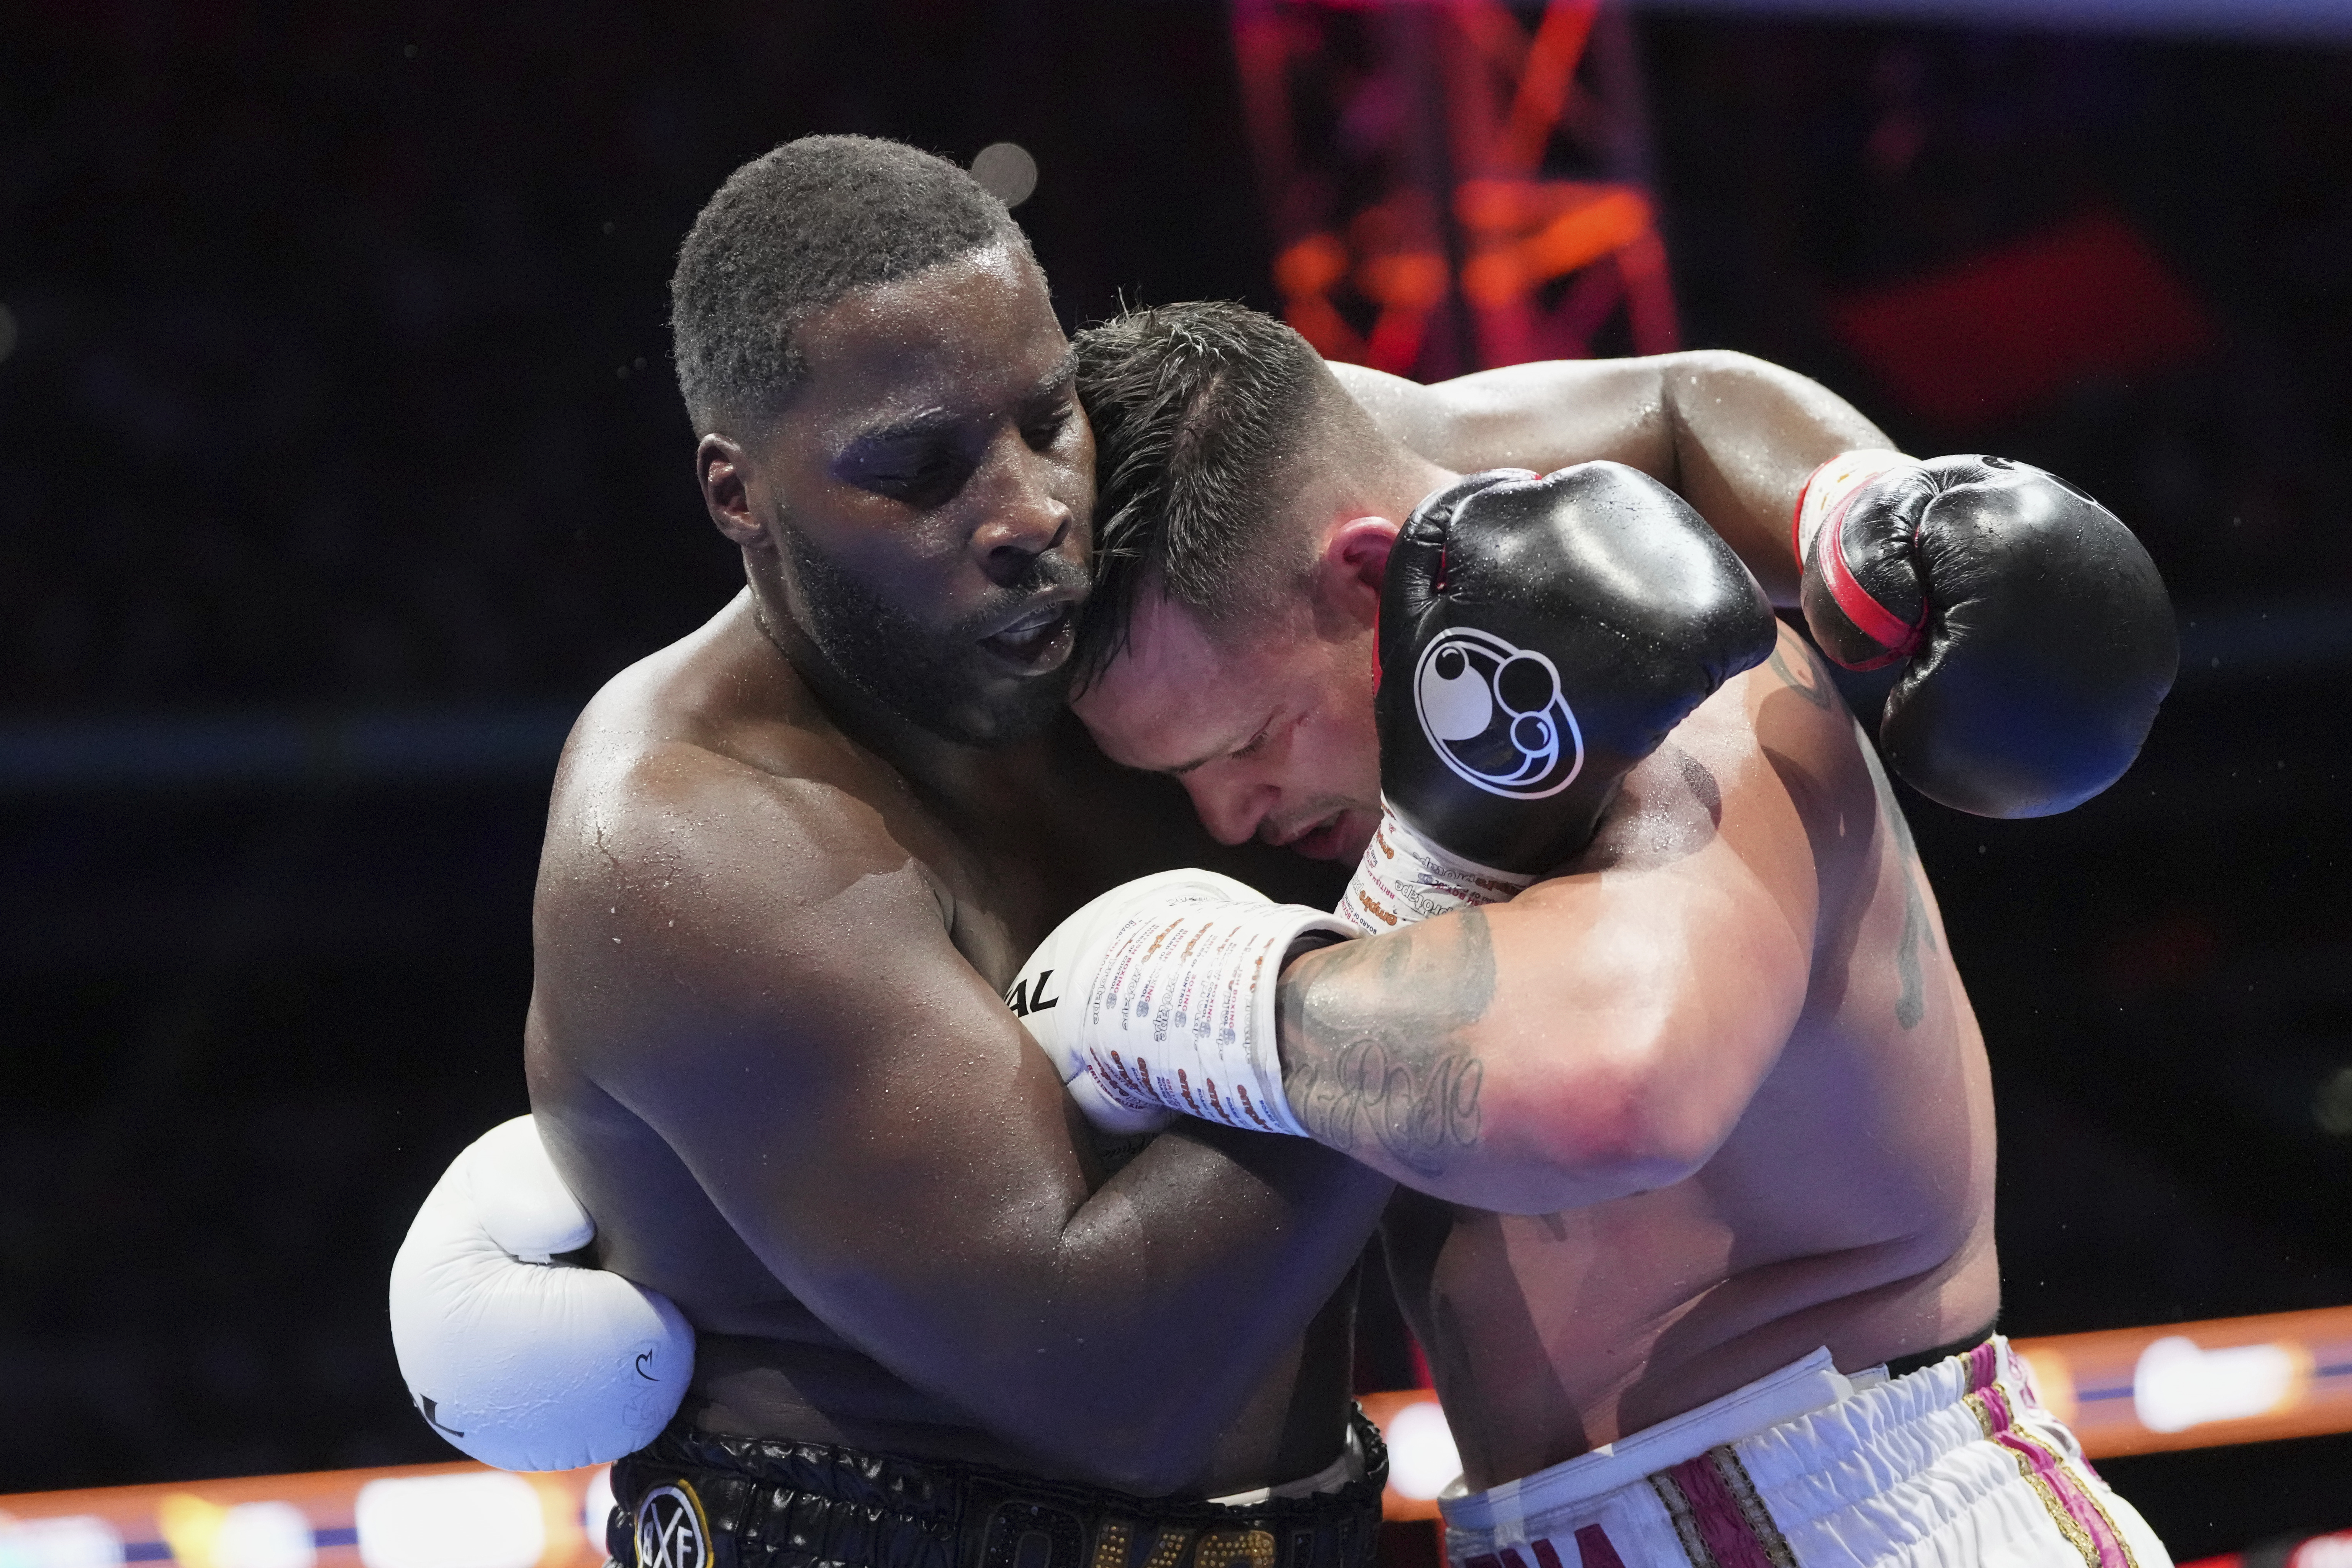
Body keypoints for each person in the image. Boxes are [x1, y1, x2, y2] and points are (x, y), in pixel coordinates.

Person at [389, 146, 2174, 1568]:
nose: (1015, 509)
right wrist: (1423, 855)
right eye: (914, 470)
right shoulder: (695, 825)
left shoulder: (1237, 567)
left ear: (1371, 566)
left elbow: (1666, 398)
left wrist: (1866, 518)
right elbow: (1122, 1388)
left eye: (1037, 421)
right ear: (740, 494)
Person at [1035, 301, 2173, 1568]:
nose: (1227, 811)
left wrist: (1178, 992)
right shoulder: (1420, 653)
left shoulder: (1671, 697)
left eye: (1244, 740)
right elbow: (1671, 395)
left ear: (1366, 574)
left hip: (1853, 1516)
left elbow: (1621, 1090)